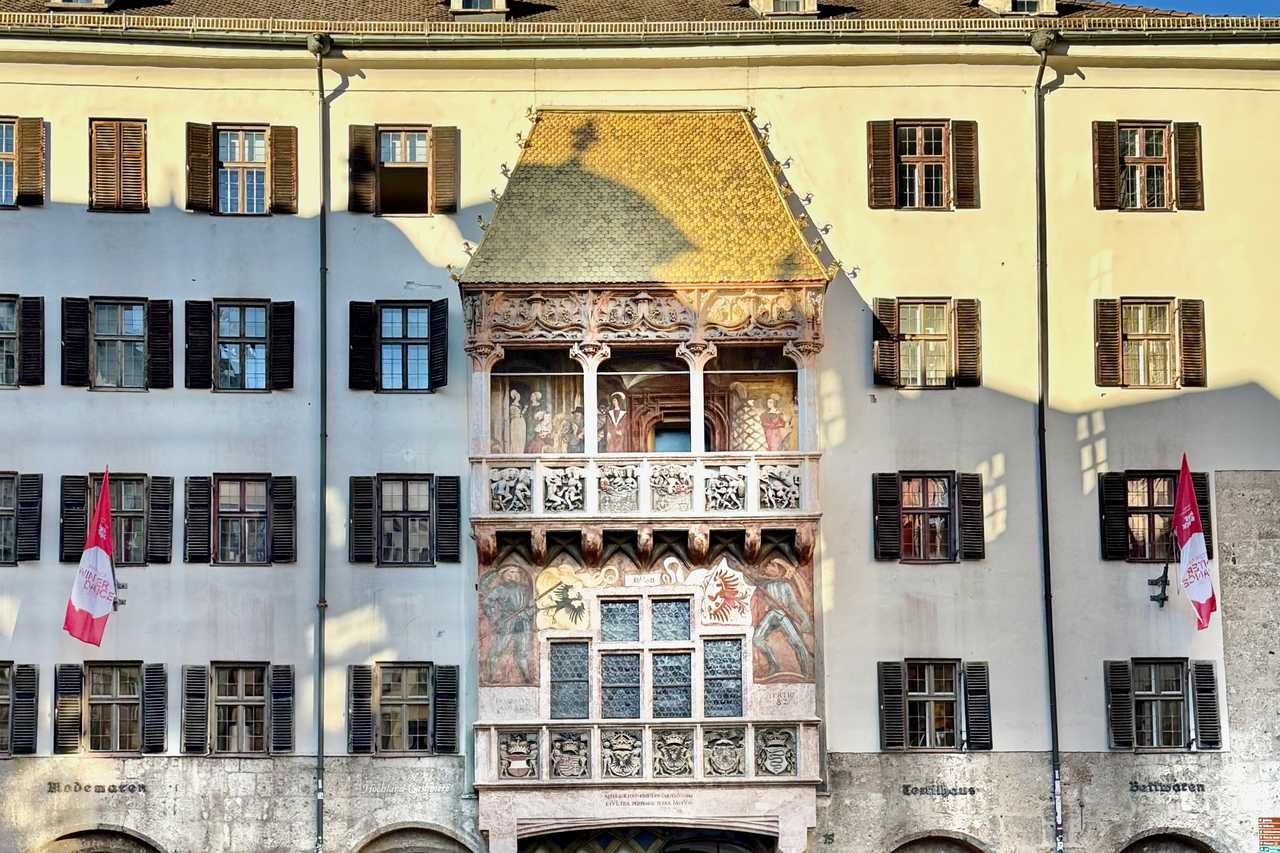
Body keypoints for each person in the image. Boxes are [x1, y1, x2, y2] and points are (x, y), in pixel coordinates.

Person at [750, 558, 813, 678]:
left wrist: (804, 618)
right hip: (772, 613)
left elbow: (794, 604)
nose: (767, 568)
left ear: (776, 569)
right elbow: (751, 578)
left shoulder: (786, 585)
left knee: (797, 642)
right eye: (767, 567)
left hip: (783, 615)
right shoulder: (764, 583)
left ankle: (806, 671)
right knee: (757, 638)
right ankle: (774, 665)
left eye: (770, 566)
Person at [481, 564, 534, 684]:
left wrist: (528, 612)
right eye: (510, 572)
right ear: (504, 575)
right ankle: (490, 677)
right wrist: (495, 619)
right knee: (497, 650)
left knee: (522, 652)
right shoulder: (500, 589)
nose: (514, 575)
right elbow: (487, 604)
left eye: (516, 573)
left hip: (523, 622)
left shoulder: (524, 589)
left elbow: (531, 605)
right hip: (507, 623)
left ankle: (527, 679)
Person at [507, 389, 527, 454]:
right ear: (515, 396)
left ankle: (521, 451)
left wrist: (524, 410)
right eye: (517, 395)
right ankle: (516, 452)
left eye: (518, 394)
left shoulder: (519, 404)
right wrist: (522, 412)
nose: (519, 396)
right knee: (516, 437)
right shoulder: (513, 406)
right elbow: (515, 415)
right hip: (516, 422)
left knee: (521, 437)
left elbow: (520, 414)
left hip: (521, 422)